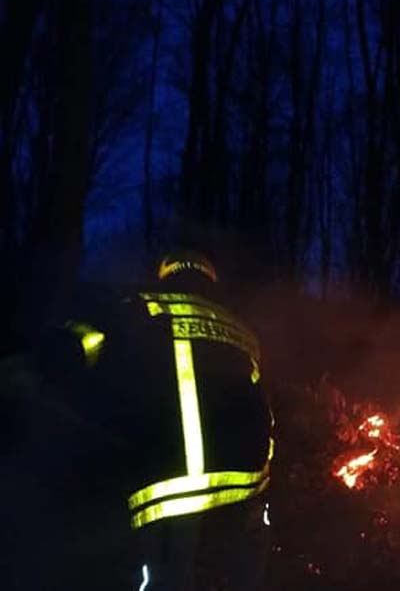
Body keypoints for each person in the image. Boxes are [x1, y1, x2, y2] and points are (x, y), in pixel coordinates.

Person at [28, 250, 274, 590]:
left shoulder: (140, 308)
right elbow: (261, 403)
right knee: (237, 571)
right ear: (210, 280)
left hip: (171, 484)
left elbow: (80, 342)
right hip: (244, 480)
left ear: (166, 275)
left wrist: (36, 362)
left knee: (169, 575)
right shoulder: (240, 328)